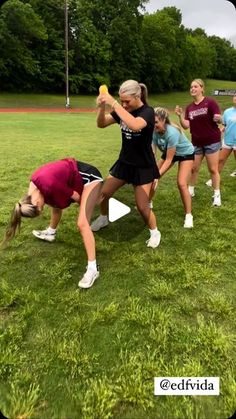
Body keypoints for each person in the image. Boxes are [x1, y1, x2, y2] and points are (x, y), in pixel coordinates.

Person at [1, 158, 103, 289]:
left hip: (89, 176)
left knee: (82, 224)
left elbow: (77, 196)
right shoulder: (32, 192)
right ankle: (50, 232)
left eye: (40, 209)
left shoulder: (48, 185)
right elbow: (57, 201)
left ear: (36, 204)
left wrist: (90, 205)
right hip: (69, 177)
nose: (42, 209)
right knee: (55, 202)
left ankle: (93, 268)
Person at [90, 79, 161, 248]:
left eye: (127, 101)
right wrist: (101, 106)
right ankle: (103, 218)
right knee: (102, 194)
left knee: (142, 207)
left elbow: (135, 125)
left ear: (138, 97)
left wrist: (114, 103)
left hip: (143, 166)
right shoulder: (123, 109)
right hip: (124, 163)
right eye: (122, 101)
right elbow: (101, 124)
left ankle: (154, 231)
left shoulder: (148, 112)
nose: (124, 104)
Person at [175, 78, 222, 206]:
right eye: (191, 87)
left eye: (195, 86)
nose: (193, 89)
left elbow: (218, 119)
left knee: (213, 169)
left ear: (202, 88)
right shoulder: (189, 108)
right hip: (196, 143)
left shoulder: (210, 102)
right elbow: (186, 126)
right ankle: (191, 190)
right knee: (194, 168)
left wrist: (218, 119)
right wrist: (180, 116)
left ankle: (217, 194)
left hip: (212, 141)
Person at [151, 107, 195, 228]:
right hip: (170, 151)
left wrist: (157, 174)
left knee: (181, 183)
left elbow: (169, 160)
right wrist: (152, 171)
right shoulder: (152, 131)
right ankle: (148, 203)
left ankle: (188, 215)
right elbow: (152, 152)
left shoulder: (172, 132)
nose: (153, 125)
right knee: (151, 178)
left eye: (155, 122)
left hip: (185, 153)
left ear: (163, 120)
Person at [205, 93, 236, 185]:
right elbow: (225, 124)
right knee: (220, 160)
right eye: (235, 96)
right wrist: (221, 130)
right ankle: (213, 179)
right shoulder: (227, 112)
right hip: (227, 140)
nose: (235, 98)